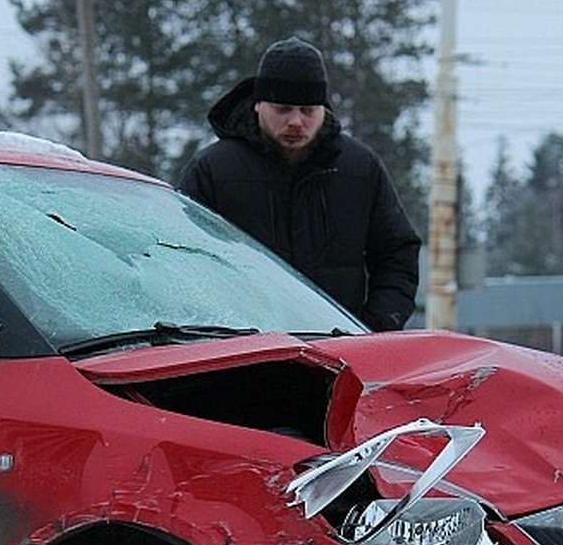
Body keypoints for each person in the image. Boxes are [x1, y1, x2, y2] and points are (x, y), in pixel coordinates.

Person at [177, 36, 421, 331]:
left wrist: (376, 325)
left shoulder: (359, 169)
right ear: (258, 105)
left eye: (308, 110)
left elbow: (397, 253)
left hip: (340, 345)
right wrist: (212, 329)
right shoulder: (213, 171)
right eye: (283, 108)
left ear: (324, 109)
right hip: (241, 345)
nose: (296, 121)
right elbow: (182, 258)